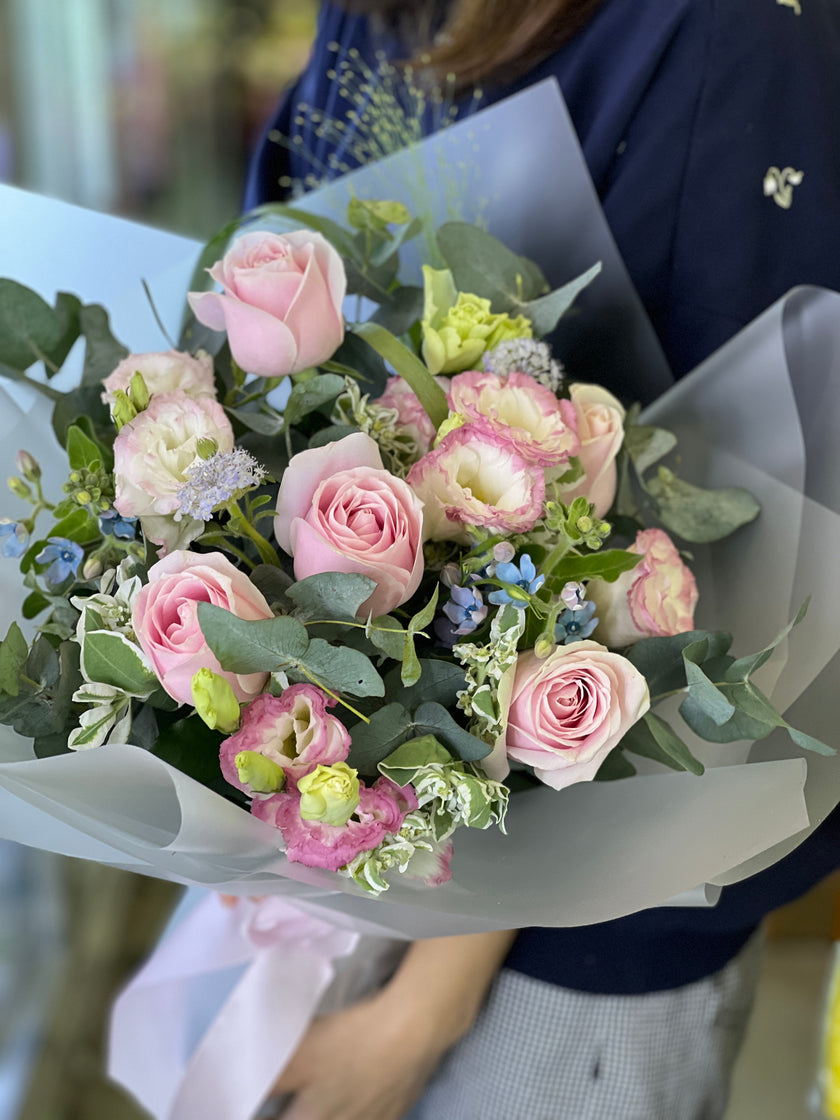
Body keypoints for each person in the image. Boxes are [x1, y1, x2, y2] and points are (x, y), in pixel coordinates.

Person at [243, 1, 840, 1117]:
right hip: (357, 842)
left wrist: (426, 1004)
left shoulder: (728, 40)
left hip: (578, 929)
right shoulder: (374, 16)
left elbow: (730, 560)